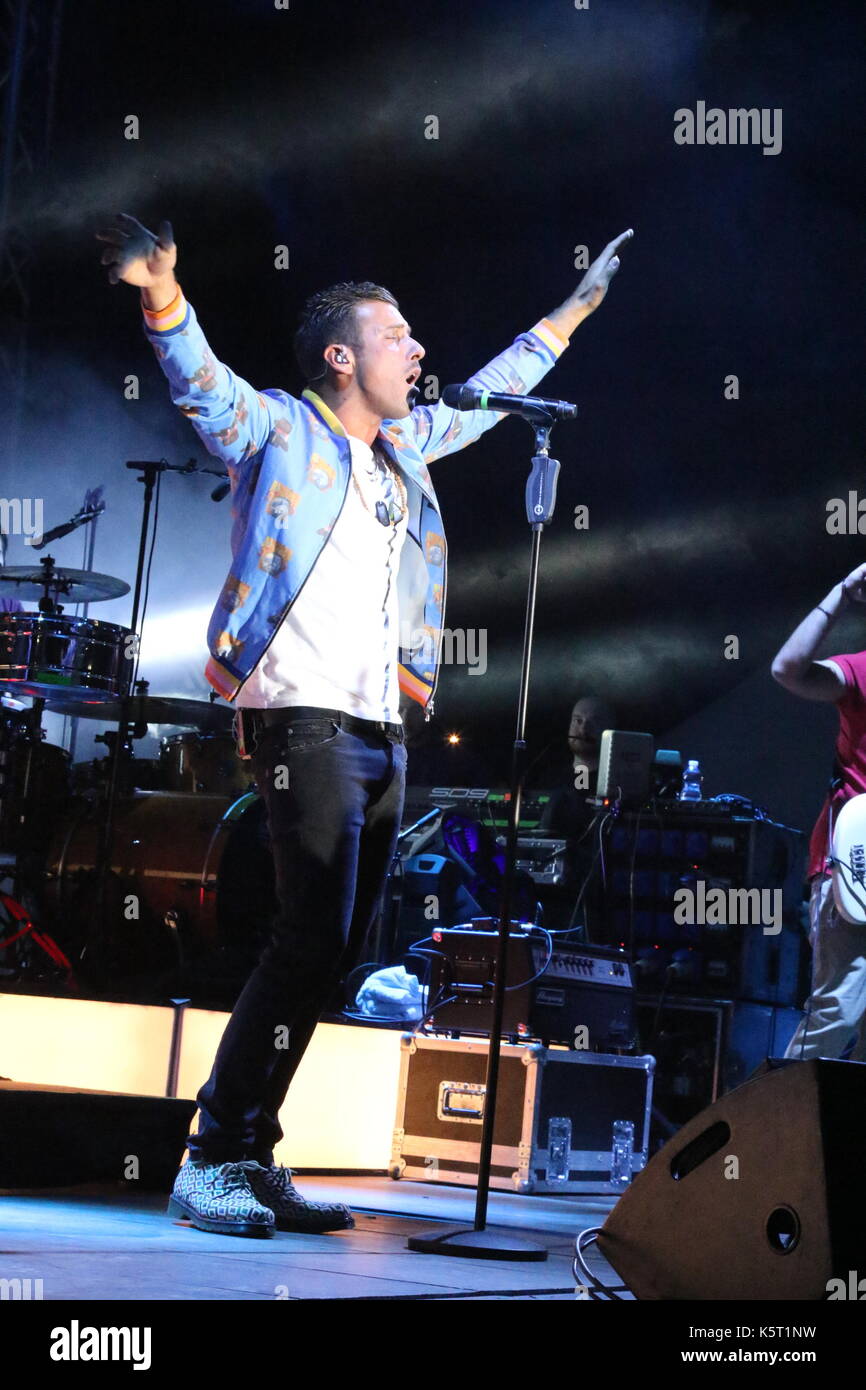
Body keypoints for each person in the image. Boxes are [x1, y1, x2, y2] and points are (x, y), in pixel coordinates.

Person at [96, 211, 632, 1238]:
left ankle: (248, 1152)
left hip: (382, 725)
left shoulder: (399, 451)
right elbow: (201, 385)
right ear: (342, 357)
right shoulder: (281, 429)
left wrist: (573, 311)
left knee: (331, 944)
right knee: (307, 934)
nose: (420, 351)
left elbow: (492, 393)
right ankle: (212, 1153)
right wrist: (163, 294)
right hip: (300, 716)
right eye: (399, 338)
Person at [771, 561, 866, 1062]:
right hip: (854, 866)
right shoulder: (864, 670)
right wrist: (839, 596)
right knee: (838, 1012)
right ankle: (774, 1132)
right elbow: (787, 670)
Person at [536, 693, 617, 933]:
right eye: (577, 720)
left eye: (593, 722)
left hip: (592, 899)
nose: (583, 728)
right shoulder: (548, 776)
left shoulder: (615, 784)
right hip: (545, 896)